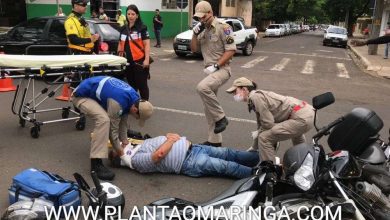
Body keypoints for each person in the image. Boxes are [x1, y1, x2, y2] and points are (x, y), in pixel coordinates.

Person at [71, 76, 154, 180]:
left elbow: (123, 119)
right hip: (80, 96)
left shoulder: (134, 98)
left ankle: (98, 160)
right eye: (137, 117)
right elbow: (112, 131)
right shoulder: (118, 102)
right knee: (104, 120)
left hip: (94, 92)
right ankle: (95, 165)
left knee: (110, 118)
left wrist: (124, 141)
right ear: (134, 109)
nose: (137, 119)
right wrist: (122, 154)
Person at [226, 77, 315, 163]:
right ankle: (304, 162)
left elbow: (267, 123)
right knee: (296, 134)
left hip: (301, 118)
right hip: (307, 113)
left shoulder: (255, 97)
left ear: (244, 89)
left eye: (235, 91)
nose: (234, 95)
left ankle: (269, 170)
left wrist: (259, 133)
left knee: (264, 138)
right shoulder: (256, 96)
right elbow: (261, 124)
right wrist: (254, 147)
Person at [110, 133, 260, 179]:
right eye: (119, 148)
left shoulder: (136, 149)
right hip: (189, 161)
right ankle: (259, 176)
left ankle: (260, 159)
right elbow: (158, 155)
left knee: (228, 153)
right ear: (120, 156)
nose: (122, 145)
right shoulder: (135, 161)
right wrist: (170, 140)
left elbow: (158, 145)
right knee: (227, 166)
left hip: (194, 148)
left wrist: (168, 136)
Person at [191, 1, 236, 147]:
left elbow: (231, 50)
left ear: (210, 13)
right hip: (209, 72)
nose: (201, 20)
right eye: (198, 18)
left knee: (202, 87)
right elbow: (194, 50)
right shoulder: (203, 30)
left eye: (203, 17)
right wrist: (194, 33)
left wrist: (216, 65)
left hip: (222, 69)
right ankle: (214, 141)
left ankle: (221, 118)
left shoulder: (224, 28)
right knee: (208, 108)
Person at [117, 4, 151, 100]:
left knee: (142, 85)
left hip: (139, 61)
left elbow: (147, 44)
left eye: (133, 14)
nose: (130, 16)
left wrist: (147, 60)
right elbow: (120, 44)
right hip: (127, 62)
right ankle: (134, 105)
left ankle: (145, 106)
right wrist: (118, 58)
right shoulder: (123, 28)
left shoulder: (142, 28)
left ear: (137, 15)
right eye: (128, 14)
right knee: (131, 86)